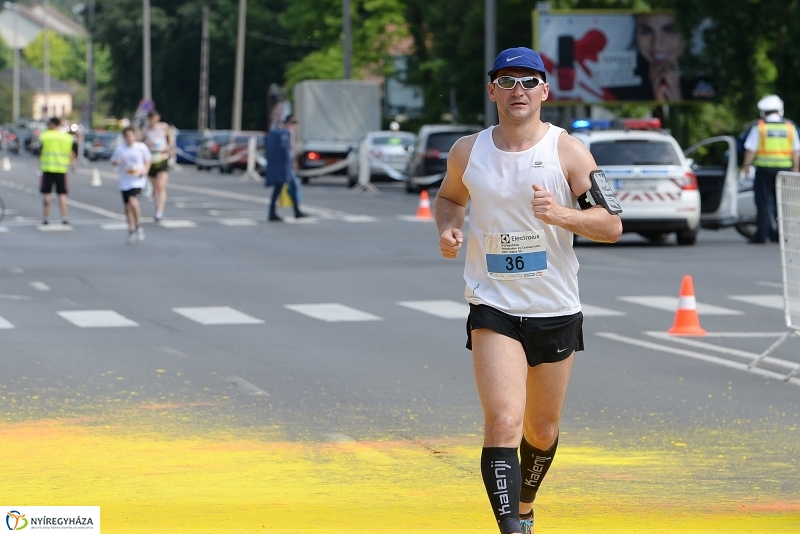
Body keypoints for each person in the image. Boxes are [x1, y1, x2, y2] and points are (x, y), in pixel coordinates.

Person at [434, 47, 622, 534]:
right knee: (503, 420)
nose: (518, 90)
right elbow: (450, 197)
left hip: (554, 305)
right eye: (507, 81)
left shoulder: (569, 151)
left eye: (528, 81)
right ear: (492, 90)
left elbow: (611, 224)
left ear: (544, 91)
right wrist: (449, 227)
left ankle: (525, 504)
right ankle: (511, 528)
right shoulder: (467, 151)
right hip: (493, 303)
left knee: (541, 428)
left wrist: (560, 214)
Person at [741, 94, 800, 244]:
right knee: (783, 203)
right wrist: (796, 168)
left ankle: (762, 236)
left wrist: (746, 165)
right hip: (784, 171)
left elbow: (751, 149)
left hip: (764, 171)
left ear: (763, 111)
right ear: (780, 110)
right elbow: (796, 151)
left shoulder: (760, 127)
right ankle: (782, 236)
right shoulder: (790, 127)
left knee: (762, 203)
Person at [111, 127, 152, 244]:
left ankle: (138, 225)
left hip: (138, 180)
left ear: (135, 136)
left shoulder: (141, 147)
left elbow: (148, 159)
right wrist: (116, 162)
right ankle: (131, 230)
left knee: (134, 202)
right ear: (124, 137)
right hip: (125, 181)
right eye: (127, 136)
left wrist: (145, 170)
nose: (129, 138)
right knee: (127, 207)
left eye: (131, 136)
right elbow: (113, 161)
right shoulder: (121, 149)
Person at [266, 117, 306, 221]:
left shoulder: (278, 133)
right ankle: (295, 211)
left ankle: (275, 212)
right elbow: (287, 151)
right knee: (288, 187)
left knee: (280, 189)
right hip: (284, 167)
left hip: (282, 167)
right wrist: (291, 163)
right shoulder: (285, 134)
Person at [38, 117, 75, 225]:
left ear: (52, 124)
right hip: (61, 169)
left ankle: (46, 218)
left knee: (47, 194)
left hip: (47, 168)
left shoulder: (45, 136)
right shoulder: (67, 137)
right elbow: (71, 153)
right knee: (62, 194)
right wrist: (72, 165)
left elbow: (40, 151)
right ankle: (64, 217)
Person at [140, 110, 173, 222]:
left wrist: (171, 148)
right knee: (155, 188)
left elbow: (170, 138)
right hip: (151, 160)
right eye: (150, 117)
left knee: (161, 186)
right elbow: (140, 141)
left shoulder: (163, 127)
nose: (152, 119)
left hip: (162, 158)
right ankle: (157, 207)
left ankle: (160, 212)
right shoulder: (146, 129)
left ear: (158, 117)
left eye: (154, 117)